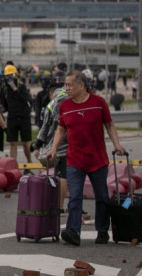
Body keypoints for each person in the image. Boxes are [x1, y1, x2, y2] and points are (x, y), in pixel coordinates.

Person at [46, 70, 125, 246]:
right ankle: (73, 231)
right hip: (75, 159)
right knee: (74, 197)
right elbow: (61, 129)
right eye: (65, 85)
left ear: (81, 85)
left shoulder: (98, 103)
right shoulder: (64, 107)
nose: (66, 88)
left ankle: (102, 230)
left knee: (102, 197)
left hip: (97, 159)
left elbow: (109, 125)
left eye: (69, 85)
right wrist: (53, 149)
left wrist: (117, 145)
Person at [32, 73, 68, 210]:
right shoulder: (73, 99)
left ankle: (58, 206)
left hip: (59, 144)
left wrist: (38, 144)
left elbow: (45, 127)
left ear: (51, 93)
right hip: (76, 142)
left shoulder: (52, 104)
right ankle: (74, 205)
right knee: (75, 175)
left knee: (61, 175)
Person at [1, 64, 33, 168]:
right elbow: (4, 105)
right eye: (8, 76)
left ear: (16, 75)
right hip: (12, 117)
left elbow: (27, 101)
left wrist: (16, 89)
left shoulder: (21, 86)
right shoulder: (5, 89)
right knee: (12, 143)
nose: (10, 78)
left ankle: (29, 161)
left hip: (24, 117)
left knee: (25, 142)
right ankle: (13, 165)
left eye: (12, 75)